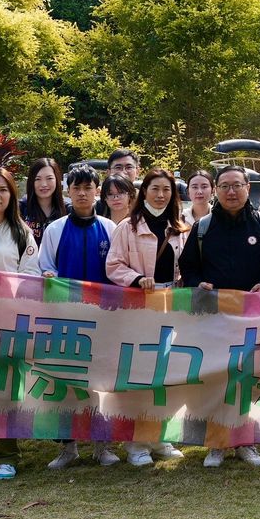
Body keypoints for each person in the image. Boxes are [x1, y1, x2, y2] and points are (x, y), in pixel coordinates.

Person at [180, 164, 260, 469]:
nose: (231, 192)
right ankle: (217, 442)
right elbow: (188, 267)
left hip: (253, 319)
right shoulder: (203, 227)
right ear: (216, 191)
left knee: (248, 380)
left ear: (248, 188)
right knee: (216, 380)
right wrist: (199, 284)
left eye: (237, 185)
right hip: (214, 318)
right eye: (224, 186)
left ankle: (245, 440)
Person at [35, 164, 118, 470]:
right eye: (76, 188)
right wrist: (48, 276)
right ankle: (68, 448)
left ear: (98, 192)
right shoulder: (55, 230)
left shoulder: (110, 229)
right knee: (64, 384)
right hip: (64, 320)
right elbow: (45, 267)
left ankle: (102, 445)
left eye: (88, 188)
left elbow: (118, 272)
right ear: (68, 192)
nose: (82, 194)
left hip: (103, 320)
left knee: (101, 384)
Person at [106, 169, 191, 467]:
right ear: (144, 192)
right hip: (138, 308)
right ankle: (136, 443)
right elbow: (113, 265)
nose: (160, 195)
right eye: (155, 188)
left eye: (166, 189)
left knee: (166, 376)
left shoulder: (180, 227)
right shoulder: (127, 227)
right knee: (139, 374)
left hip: (171, 307)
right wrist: (137, 278)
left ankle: (160, 437)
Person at [20, 157, 67, 234]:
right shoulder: (21, 208)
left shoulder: (67, 210)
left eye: (49, 178)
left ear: (57, 179)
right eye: (38, 179)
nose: (44, 184)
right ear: (31, 181)